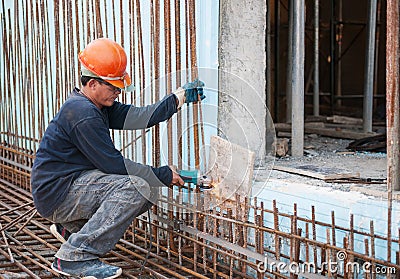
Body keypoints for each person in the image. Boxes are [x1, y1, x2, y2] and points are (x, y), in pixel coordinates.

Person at [31, 38, 205, 279]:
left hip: (69, 186)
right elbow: (114, 165)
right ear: (92, 84)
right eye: (113, 86)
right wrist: (164, 174)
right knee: (138, 187)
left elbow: (141, 117)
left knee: (147, 189)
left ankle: (71, 229)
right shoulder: (83, 113)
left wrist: (179, 98)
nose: (118, 91)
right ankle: (74, 256)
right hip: (59, 194)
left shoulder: (97, 106)